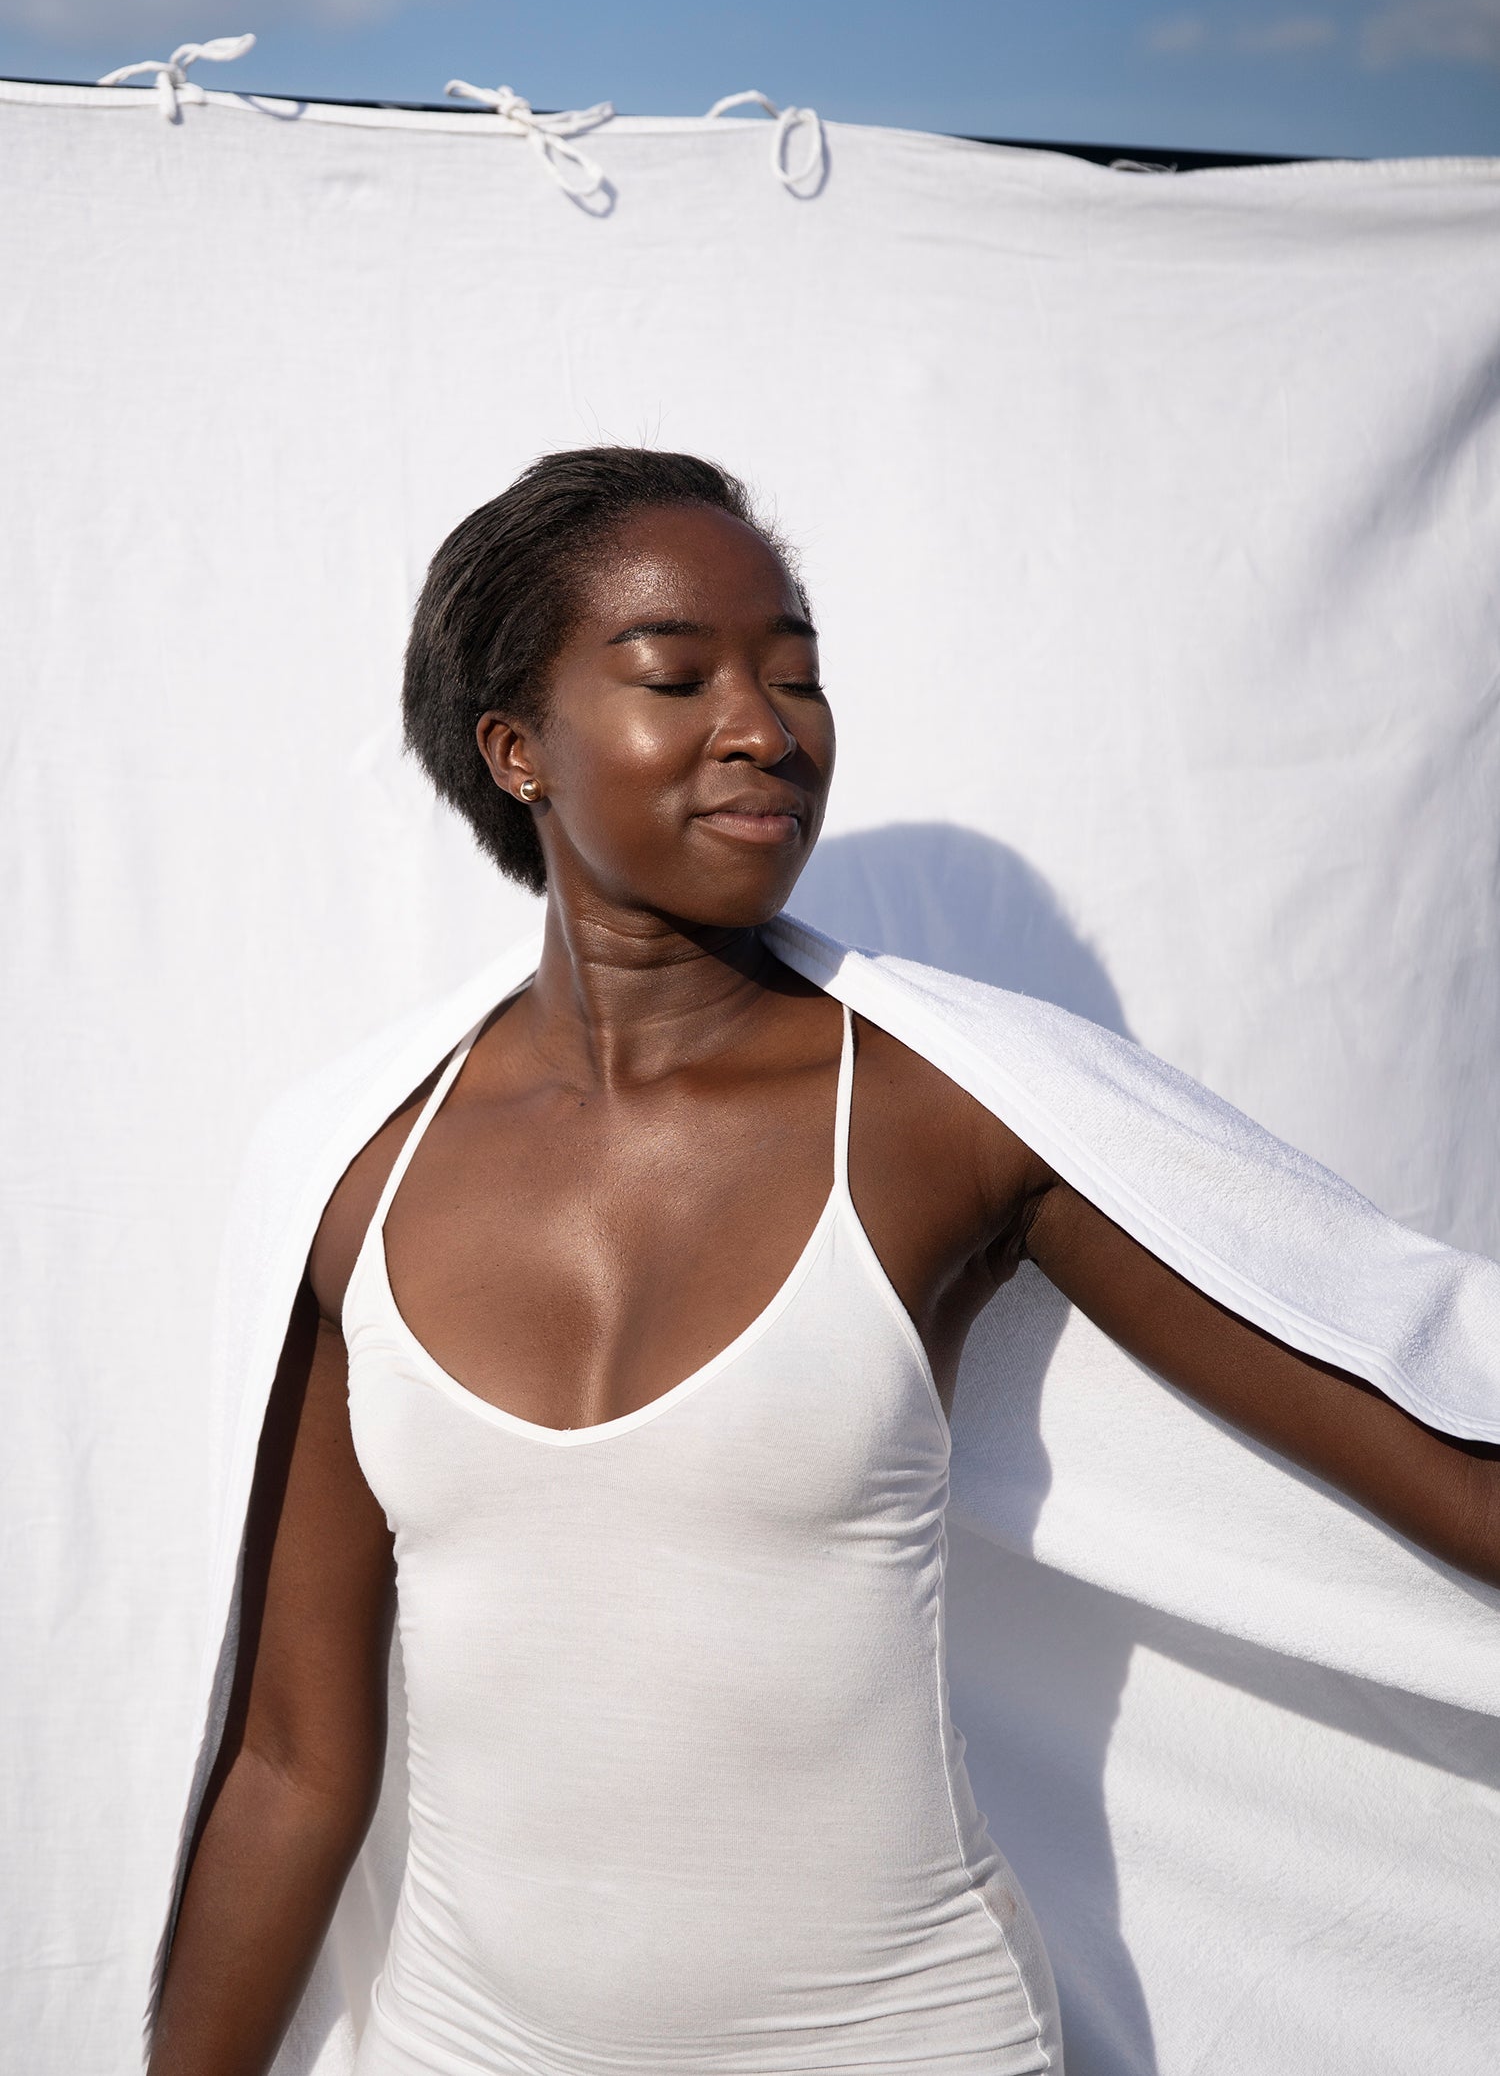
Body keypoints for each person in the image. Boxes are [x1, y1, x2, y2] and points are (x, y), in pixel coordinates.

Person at [148, 449, 1500, 2076]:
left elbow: (1442, 1461)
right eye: (678, 675)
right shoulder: (357, 1167)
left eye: (794, 675)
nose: (765, 727)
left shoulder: (945, 1116)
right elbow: (294, 1760)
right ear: (517, 750)